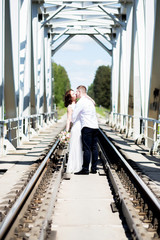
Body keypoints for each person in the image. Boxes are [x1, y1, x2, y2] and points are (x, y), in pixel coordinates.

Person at [72, 85, 99, 175]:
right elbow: (94, 102)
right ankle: (94, 168)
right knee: (94, 148)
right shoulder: (90, 102)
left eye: (77, 92)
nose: (76, 94)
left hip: (87, 127)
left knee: (87, 148)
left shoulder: (81, 102)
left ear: (79, 92)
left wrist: (73, 122)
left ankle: (85, 169)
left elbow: (74, 116)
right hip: (95, 126)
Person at [64, 89, 83, 173]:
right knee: (75, 147)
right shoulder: (70, 107)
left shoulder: (80, 103)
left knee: (81, 147)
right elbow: (68, 120)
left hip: (82, 127)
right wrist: (66, 132)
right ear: (70, 97)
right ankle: (75, 166)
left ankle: (81, 166)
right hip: (75, 128)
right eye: (72, 94)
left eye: (74, 93)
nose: (75, 94)